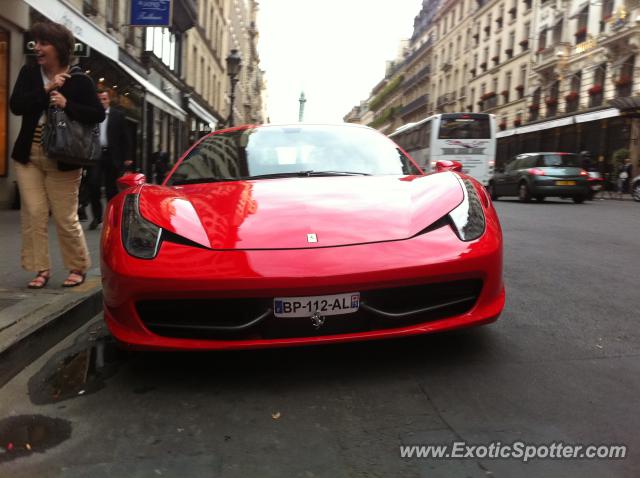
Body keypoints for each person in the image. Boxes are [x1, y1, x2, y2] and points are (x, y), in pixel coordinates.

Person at [9, 21, 105, 288]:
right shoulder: (29, 73)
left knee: (65, 216)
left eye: (43, 43)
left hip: (64, 157)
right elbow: (16, 106)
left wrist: (67, 104)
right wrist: (47, 89)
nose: (37, 48)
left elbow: (96, 114)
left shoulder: (80, 80)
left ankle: (77, 266)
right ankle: (41, 269)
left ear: (59, 48)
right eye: (36, 43)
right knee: (34, 213)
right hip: (28, 153)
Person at [87, 89, 132, 229]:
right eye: (99, 99)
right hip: (96, 155)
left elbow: (126, 137)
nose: (102, 102)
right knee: (93, 185)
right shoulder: (92, 114)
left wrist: (128, 157)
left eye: (104, 99)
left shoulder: (118, 115)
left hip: (113, 156)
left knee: (111, 189)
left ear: (109, 100)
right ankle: (96, 217)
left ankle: (112, 218)